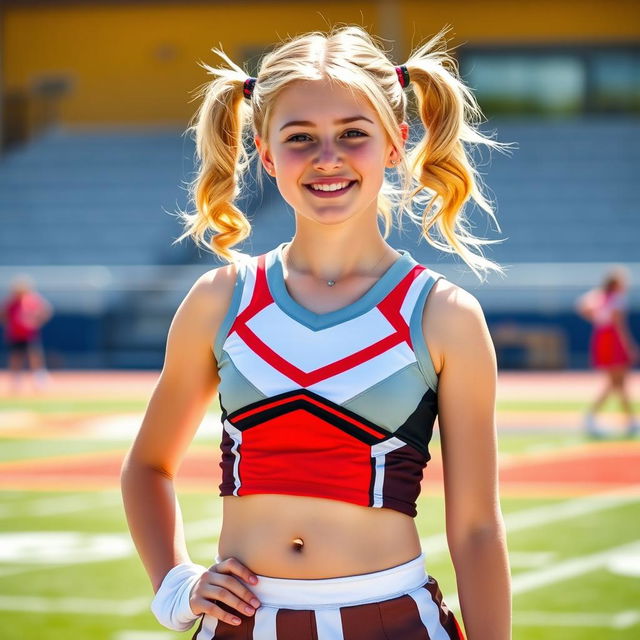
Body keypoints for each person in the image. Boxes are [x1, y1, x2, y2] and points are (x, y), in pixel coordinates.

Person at [121, 25, 512, 639]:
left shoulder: (443, 315)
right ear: (267, 153)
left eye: (353, 134)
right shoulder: (221, 298)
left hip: (394, 618)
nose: (327, 157)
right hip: (242, 624)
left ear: (394, 143)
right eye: (300, 138)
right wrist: (176, 582)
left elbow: (476, 530)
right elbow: (147, 465)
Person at [576, 266, 639, 438]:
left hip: (602, 338)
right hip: (613, 341)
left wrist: (596, 317)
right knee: (617, 382)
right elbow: (620, 326)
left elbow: (582, 305)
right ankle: (596, 416)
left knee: (618, 383)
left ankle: (630, 419)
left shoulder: (601, 297)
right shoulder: (617, 299)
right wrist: (629, 346)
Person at [1, 275, 53, 393]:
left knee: (34, 357)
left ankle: (39, 380)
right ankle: (16, 381)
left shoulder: (32, 300)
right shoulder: (11, 302)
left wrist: (36, 321)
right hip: (14, 334)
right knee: (15, 358)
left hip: (29, 334)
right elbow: (3, 314)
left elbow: (46, 310)